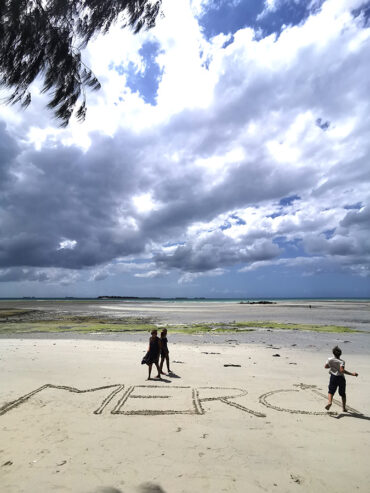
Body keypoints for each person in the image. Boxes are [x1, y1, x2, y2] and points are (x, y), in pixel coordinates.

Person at [324, 345, 358, 412]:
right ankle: (344, 408)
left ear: (333, 353)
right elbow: (342, 370)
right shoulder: (342, 361)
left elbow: (326, 366)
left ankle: (329, 402)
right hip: (341, 378)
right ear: (340, 354)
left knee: (331, 391)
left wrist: (332, 366)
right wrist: (352, 374)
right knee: (342, 393)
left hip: (333, 377)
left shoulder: (330, 359)